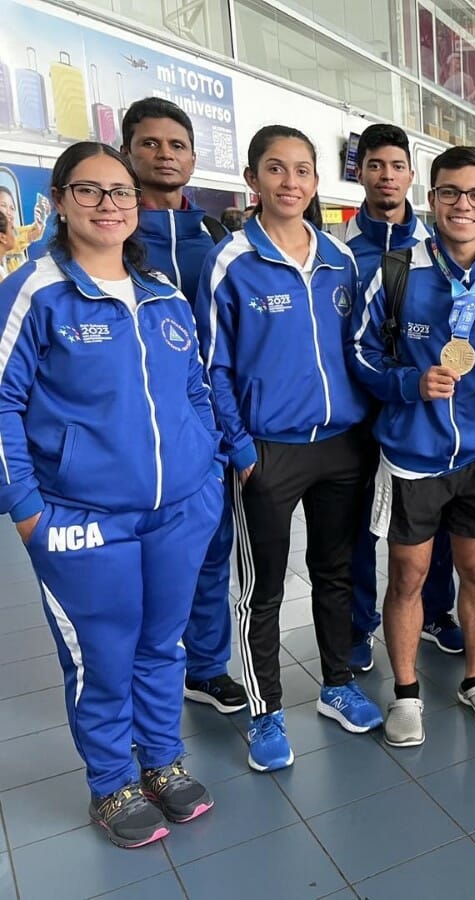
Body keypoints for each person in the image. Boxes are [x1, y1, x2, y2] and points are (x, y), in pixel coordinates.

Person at [0, 142, 224, 847]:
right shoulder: (35, 291)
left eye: (121, 192)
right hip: (81, 518)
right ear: (60, 201)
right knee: (102, 653)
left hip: (181, 509)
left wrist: (208, 467)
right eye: (90, 191)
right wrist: (28, 510)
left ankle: (159, 761)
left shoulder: (161, 288)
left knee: (162, 643)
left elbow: (195, 385)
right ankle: (110, 782)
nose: (109, 205)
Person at [197, 125, 383, 773]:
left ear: (316, 181)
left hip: (340, 447)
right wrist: (240, 448)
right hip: (266, 454)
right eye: (276, 170)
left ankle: (337, 684)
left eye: (303, 170)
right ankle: (265, 710)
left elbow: (360, 351)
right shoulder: (231, 263)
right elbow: (212, 366)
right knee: (262, 589)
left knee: (336, 572)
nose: (291, 182)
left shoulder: (341, 259)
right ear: (253, 180)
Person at [350, 147, 475, 749]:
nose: (463, 205)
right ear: (431, 199)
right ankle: (405, 693)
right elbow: (359, 355)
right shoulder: (398, 272)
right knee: (409, 574)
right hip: (413, 454)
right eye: (450, 193)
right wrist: (409, 382)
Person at [120, 97, 249, 716]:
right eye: (149, 144)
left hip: (207, 434)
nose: (164, 155)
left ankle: (204, 666)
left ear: (194, 159)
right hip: (126, 441)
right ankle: (130, 671)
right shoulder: (106, 245)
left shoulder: (219, 243)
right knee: (126, 568)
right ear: (128, 154)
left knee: (207, 554)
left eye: (176, 145)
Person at [341, 123, 448, 670]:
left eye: (397, 166)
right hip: (361, 411)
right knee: (362, 523)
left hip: (428, 415)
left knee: (438, 517)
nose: (386, 175)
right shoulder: (338, 253)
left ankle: (436, 612)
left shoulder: (434, 249)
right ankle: (361, 624)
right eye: (375, 165)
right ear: (358, 171)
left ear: (411, 174)